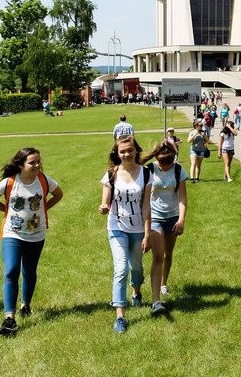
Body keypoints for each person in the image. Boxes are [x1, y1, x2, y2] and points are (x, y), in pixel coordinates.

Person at [0, 147, 64, 336]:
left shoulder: (44, 180)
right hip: (12, 233)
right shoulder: (10, 182)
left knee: (29, 270)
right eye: (32, 162)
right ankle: (9, 317)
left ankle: (26, 305)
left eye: (38, 162)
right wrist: (6, 210)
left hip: (36, 234)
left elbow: (59, 195)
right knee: (11, 270)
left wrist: (44, 208)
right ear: (21, 165)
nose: (37, 165)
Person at [99, 136, 151, 333]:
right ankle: (120, 315)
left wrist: (147, 234)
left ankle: (136, 291)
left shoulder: (146, 174)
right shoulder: (111, 174)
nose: (127, 154)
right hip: (116, 227)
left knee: (136, 266)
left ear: (136, 150)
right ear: (117, 153)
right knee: (121, 269)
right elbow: (105, 201)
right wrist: (104, 207)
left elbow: (146, 207)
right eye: (122, 151)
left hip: (138, 228)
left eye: (130, 150)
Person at [142, 141, 187, 315]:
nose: (166, 166)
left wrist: (181, 220)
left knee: (168, 254)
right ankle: (156, 299)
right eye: (162, 162)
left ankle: (163, 284)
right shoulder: (149, 170)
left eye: (169, 162)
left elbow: (182, 198)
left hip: (173, 217)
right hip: (155, 217)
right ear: (157, 158)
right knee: (158, 256)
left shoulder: (178, 170)